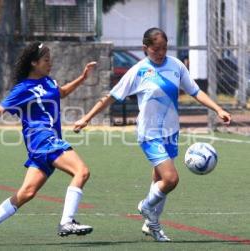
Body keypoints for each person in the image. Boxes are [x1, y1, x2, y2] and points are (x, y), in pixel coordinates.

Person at [73, 28, 231, 242]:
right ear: (145, 48)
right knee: (171, 179)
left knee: (158, 178)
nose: (161, 53)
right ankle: (146, 206)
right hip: (150, 133)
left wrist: (218, 109)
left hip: (171, 132)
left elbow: (195, 91)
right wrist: (86, 118)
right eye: (156, 49)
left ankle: (151, 224)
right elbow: (111, 97)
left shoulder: (176, 66)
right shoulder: (139, 71)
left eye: (164, 48)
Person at [0, 42, 97, 246]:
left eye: (50, 60)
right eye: (46, 60)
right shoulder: (23, 89)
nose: (50, 63)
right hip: (43, 139)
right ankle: (67, 221)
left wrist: (82, 78)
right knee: (81, 171)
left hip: (43, 145)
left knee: (26, 193)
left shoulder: (48, 81)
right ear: (34, 63)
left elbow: (61, 93)